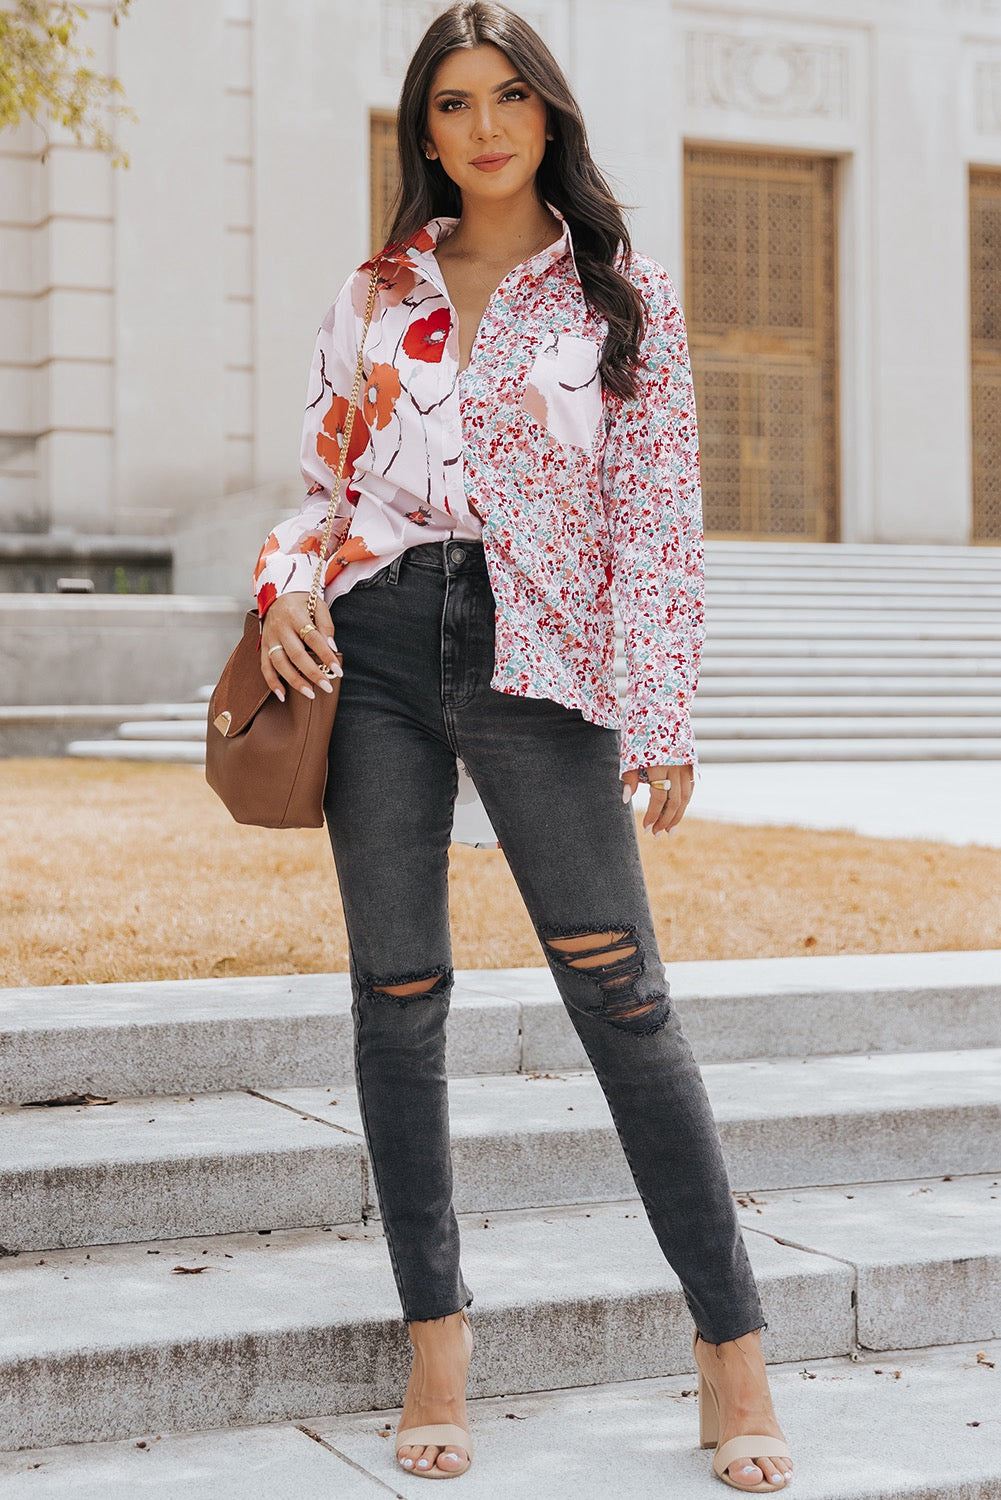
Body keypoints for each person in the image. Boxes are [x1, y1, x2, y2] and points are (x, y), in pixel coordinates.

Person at [253, 2, 794, 1490]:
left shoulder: (623, 297)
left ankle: (730, 1354)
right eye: (450, 102)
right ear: (421, 128)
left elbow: (654, 523)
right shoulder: (374, 290)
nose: (481, 126)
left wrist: (661, 712)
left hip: (539, 658)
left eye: (507, 97)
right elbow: (320, 486)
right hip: (369, 651)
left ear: (547, 116)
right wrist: (289, 589)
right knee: (397, 993)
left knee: (622, 998)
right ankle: (438, 1343)